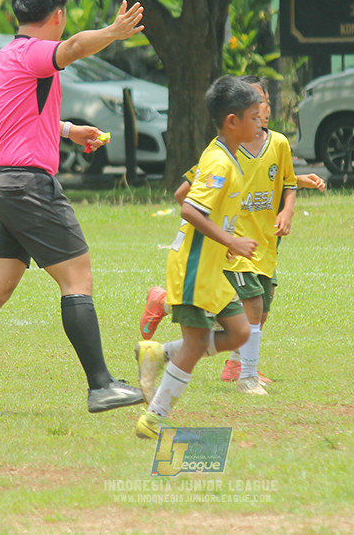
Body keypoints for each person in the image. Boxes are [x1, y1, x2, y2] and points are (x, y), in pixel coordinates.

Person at [0, 0, 145, 418]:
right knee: (77, 280)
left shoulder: (6, 56)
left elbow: (19, 116)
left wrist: (65, 130)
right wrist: (112, 32)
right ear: (58, 15)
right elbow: (71, 49)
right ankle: (101, 386)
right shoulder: (36, 52)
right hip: (28, 186)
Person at [139, 77, 326, 393]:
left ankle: (168, 320)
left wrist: (289, 205)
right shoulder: (221, 154)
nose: (262, 111)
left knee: (255, 312)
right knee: (249, 305)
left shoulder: (276, 143)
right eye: (255, 107)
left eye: (264, 103)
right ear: (234, 117)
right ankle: (245, 377)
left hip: (263, 243)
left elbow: (286, 180)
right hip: (233, 246)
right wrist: (220, 231)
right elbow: (185, 196)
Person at [133, 75, 263, 439]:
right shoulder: (220, 163)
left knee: (238, 332)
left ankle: (158, 353)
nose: (261, 122)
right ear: (232, 122)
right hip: (193, 267)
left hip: (209, 268)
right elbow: (189, 209)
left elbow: (181, 191)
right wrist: (231, 241)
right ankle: (154, 417)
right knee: (196, 344)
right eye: (254, 117)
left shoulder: (222, 154)